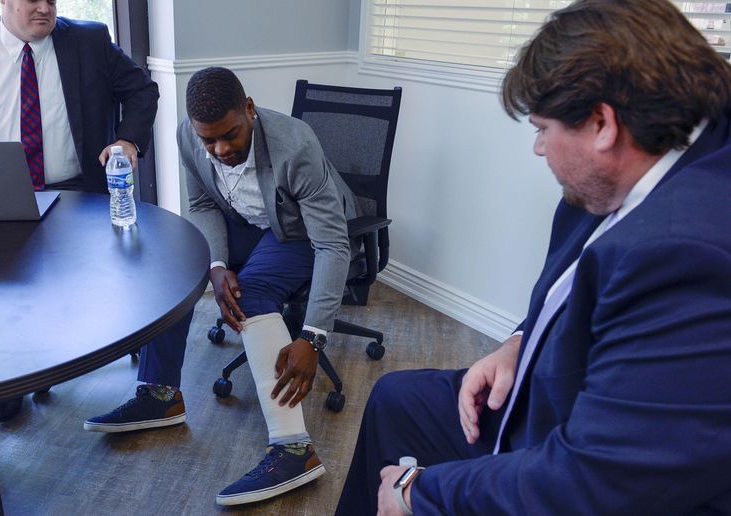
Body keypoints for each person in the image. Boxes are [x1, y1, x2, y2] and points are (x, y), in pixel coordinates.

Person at [336, 0, 731, 514]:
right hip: (555, 389)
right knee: (396, 399)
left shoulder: (685, 253)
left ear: (601, 123)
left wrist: (416, 493)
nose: (539, 149)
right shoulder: (636, 165)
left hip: (583, 455)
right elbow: (576, 285)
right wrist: (519, 342)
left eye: (543, 128)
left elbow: (591, 482)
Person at [84, 67, 358, 505]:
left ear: (249, 109)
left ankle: (294, 449)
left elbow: (332, 245)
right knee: (175, 267)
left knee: (251, 292)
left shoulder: (296, 146)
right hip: (244, 221)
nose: (220, 149)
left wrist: (313, 336)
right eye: (209, 140)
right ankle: (160, 395)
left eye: (230, 135)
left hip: (300, 231)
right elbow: (201, 203)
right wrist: (213, 264)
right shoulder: (190, 135)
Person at [0, 0, 159, 422]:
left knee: (91, 278)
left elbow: (141, 90)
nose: (45, 7)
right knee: (5, 288)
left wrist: (128, 141)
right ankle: (13, 380)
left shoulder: (88, 40)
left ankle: (76, 352)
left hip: (77, 188)